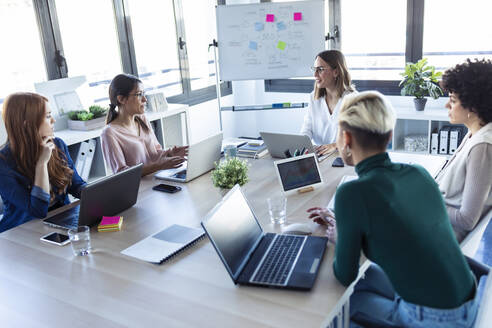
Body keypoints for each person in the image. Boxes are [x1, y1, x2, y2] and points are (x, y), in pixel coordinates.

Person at [308, 91, 484, 327]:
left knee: (335, 304)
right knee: (366, 278)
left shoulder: (351, 194)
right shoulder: (418, 173)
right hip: (470, 298)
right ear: (390, 135)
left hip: (436, 318)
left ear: (346, 139)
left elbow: (345, 274)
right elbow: (395, 225)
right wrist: (348, 224)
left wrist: (342, 237)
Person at [0, 92, 86, 233]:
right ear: (27, 123)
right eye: (47, 116)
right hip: (21, 233)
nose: (53, 120)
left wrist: (99, 196)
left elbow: (76, 185)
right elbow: (38, 210)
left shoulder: (58, 145)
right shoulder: (3, 163)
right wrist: (42, 164)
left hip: (60, 223)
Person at [435, 58, 492, 242]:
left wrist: (425, 200)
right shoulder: (474, 133)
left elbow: (467, 219)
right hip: (436, 224)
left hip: (443, 238)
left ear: (473, 105)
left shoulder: (482, 146)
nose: (447, 105)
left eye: (452, 100)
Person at [101, 74, 187, 176]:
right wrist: (159, 166)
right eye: (139, 94)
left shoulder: (142, 119)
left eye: (144, 93)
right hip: (139, 189)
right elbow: (121, 173)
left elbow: (155, 154)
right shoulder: (109, 133)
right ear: (121, 99)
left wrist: (170, 153)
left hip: (157, 179)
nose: (145, 99)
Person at [300, 50, 355, 156]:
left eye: (320, 69)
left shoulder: (353, 100)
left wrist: (334, 146)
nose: (315, 74)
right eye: (314, 69)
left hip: (344, 156)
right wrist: (302, 145)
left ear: (336, 72)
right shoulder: (313, 97)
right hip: (321, 154)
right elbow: (307, 128)